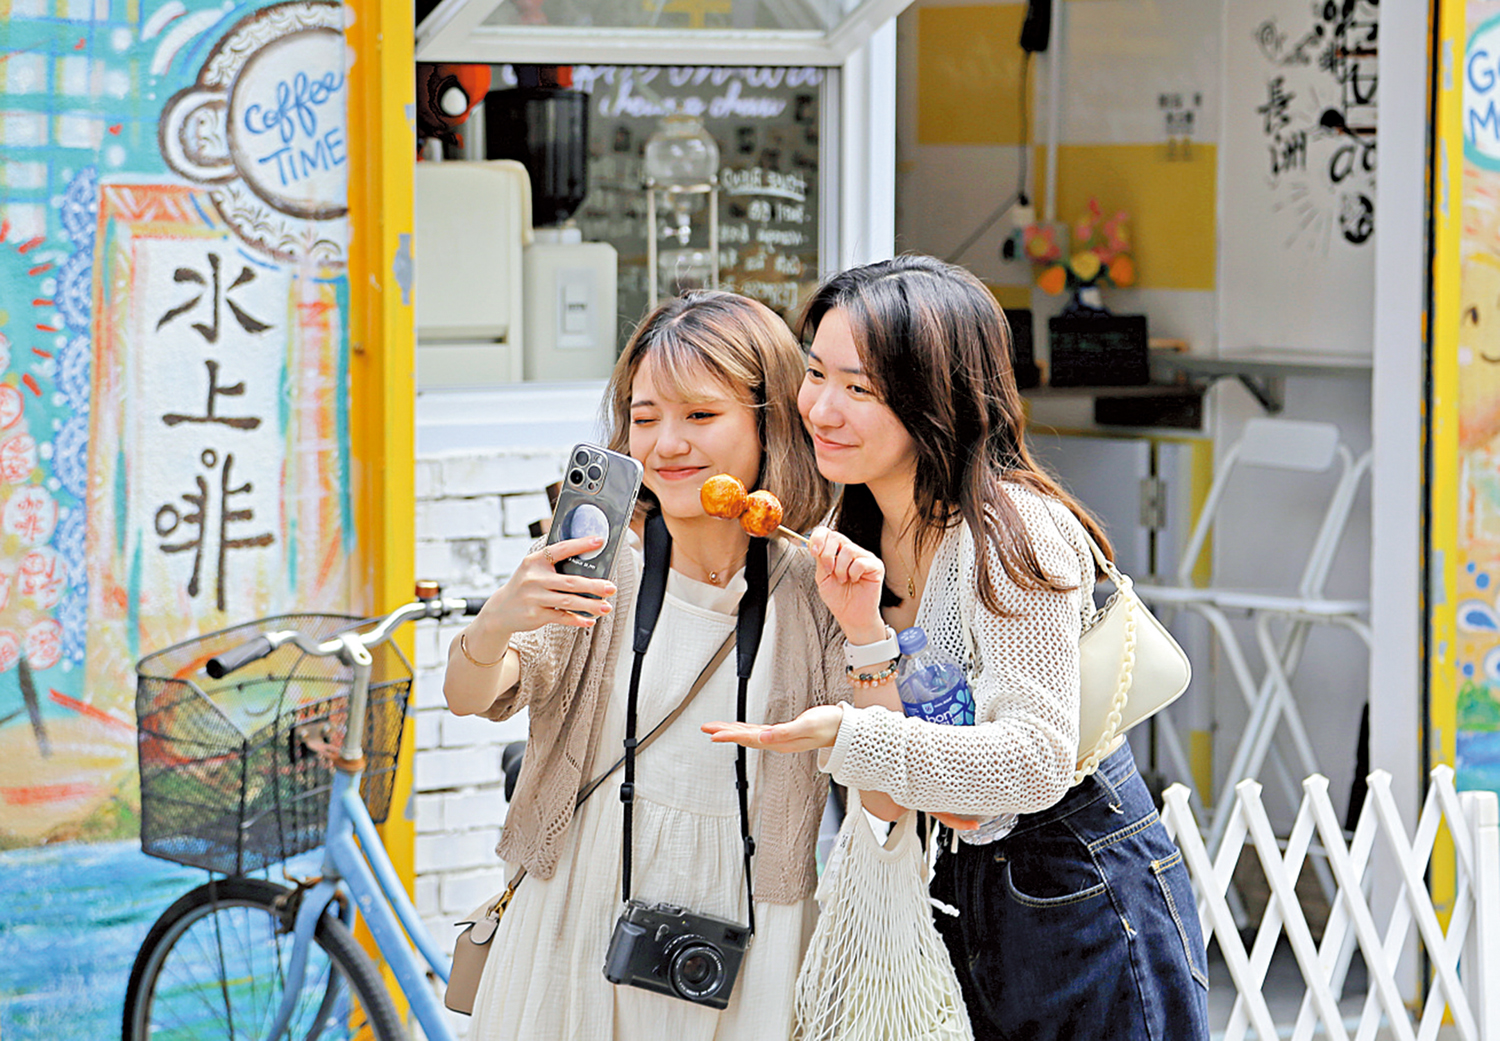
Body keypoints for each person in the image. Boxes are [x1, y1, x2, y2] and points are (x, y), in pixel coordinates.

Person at [704, 255, 1210, 1041]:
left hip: (1078, 885)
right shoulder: (849, 536)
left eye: (859, 389)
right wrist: (866, 633)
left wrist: (852, 733)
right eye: (814, 374)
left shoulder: (1015, 535)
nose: (822, 408)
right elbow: (889, 795)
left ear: (934, 397)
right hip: (955, 888)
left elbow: (1034, 761)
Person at [443, 291, 847, 1041]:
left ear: (768, 422)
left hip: (744, 926)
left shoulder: (814, 585)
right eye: (644, 414)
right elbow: (471, 693)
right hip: (577, 913)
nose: (666, 444)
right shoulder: (601, 567)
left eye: (700, 416)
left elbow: (879, 774)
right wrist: (499, 619)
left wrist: (866, 626)